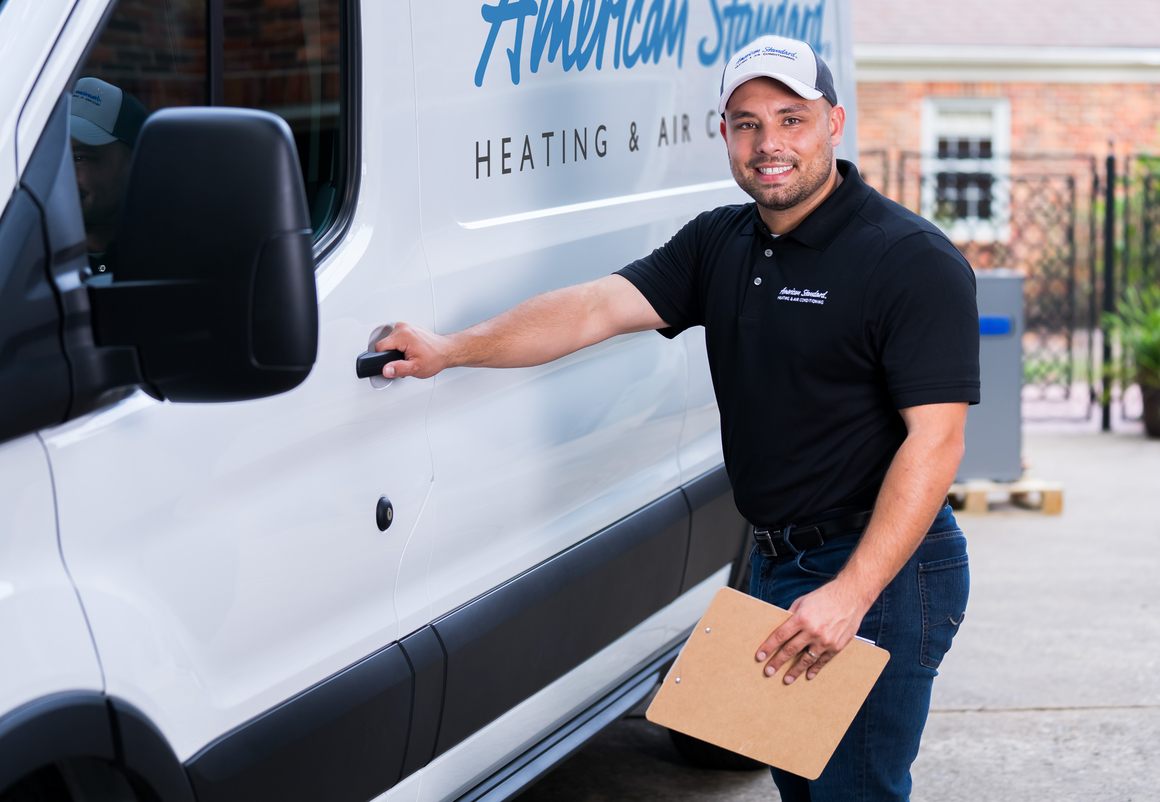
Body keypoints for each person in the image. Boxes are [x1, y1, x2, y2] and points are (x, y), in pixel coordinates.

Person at [375, 34, 978, 802]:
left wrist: (849, 595)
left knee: (853, 792)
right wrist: (449, 349)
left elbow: (938, 439)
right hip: (777, 559)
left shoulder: (908, 259)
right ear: (722, 134)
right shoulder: (722, 243)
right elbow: (592, 309)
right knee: (804, 784)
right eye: (747, 123)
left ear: (835, 121)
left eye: (791, 119)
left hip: (880, 571)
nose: (770, 145)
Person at [69, 76, 148, 284]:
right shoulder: (19, 254)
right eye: (56, 155)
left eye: (80, 158)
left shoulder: (165, 261)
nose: (61, 172)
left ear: (134, 164)